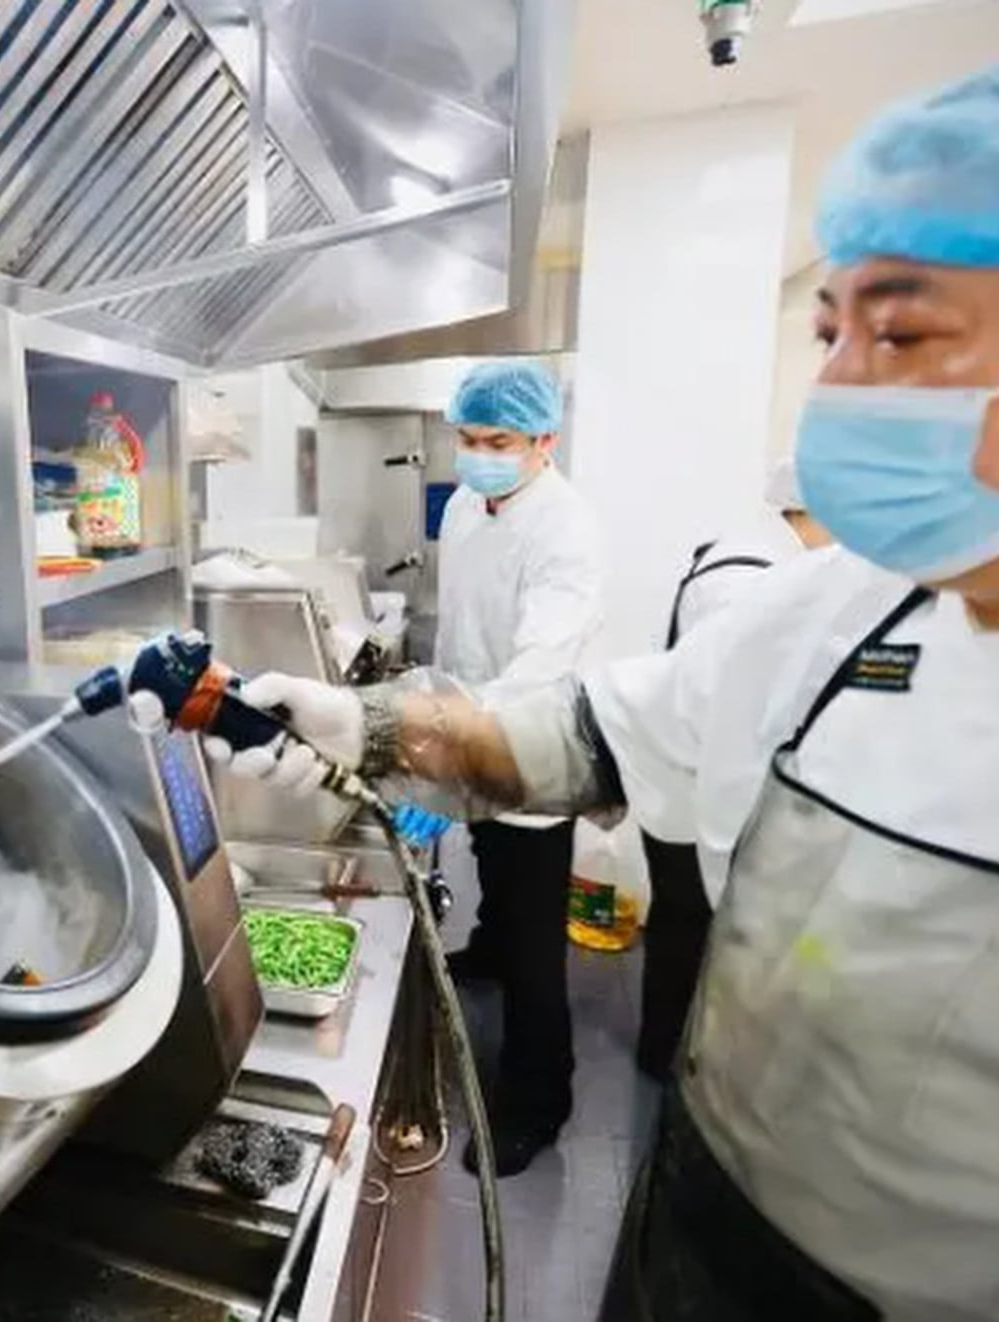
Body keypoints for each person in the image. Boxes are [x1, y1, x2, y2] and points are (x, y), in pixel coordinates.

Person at [203, 37, 999, 1319]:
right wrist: (369, 720)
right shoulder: (833, 608)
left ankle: (532, 1104)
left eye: (905, 329)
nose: (840, 387)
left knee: (536, 964)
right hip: (685, 1247)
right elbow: (581, 728)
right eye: (833, 330)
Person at [433, 358, 604, 1176]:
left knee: (539, 932)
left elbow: (542, 658)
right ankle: (486, 947)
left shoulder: (564, 528)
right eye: (466, 439)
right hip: (471, 721)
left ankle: (541, 1100)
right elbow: (459, 628)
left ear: (544, 439)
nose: (477, 453)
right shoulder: (467, 504)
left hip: (530, 740)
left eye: (495, 440)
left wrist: (464, 744)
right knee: (487, 859)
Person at [635, 461, 832, 1081]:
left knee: (682, 927)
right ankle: (668, 1060)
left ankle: (666, 1050)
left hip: (688, 790)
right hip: (695, 798)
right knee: (688, 933)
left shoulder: (759, 560)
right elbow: (730, 714)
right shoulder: (748, 581)